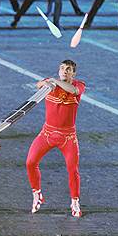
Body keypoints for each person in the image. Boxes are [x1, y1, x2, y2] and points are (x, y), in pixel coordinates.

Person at [26, 60, 85, 217]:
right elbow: (38, 85)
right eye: (63, 68)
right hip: (47, 134)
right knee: (30, 162)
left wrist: (55, 82)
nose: (65, 71)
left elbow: (73, 91)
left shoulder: (79, 85)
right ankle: (37, 194)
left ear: (74, 73)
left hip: (68, 137)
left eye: (69, 69)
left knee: (73, 170)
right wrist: (47, 84)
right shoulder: (50, 82)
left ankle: (75, 202)